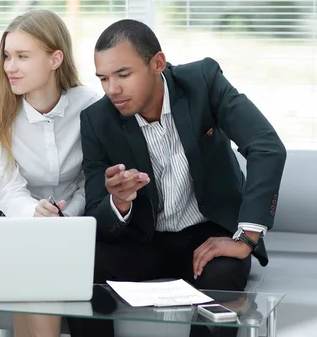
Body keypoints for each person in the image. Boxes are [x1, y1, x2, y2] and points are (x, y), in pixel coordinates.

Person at [67, 19, 287, 337]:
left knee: (222, 282)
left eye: (123, 74)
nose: (112, 89)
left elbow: (267, 147)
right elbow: (97, 214)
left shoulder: (203, 81)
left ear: (157, 63)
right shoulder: (97, 120)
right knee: (78, 268)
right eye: (103, 78)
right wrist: (118, 202)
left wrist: (246, 239)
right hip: (143, 240)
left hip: (208, 236)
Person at [0, 9, 101, 337]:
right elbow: (9, 192)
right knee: (38, 259)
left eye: (22, 56)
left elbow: (93, 179)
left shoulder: (92, 106)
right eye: (7, 56)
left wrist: (65, 215)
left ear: (55, 59)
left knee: (43, 262)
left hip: (80, 223)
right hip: (22, 226)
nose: (9, 67)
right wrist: (37, 215)